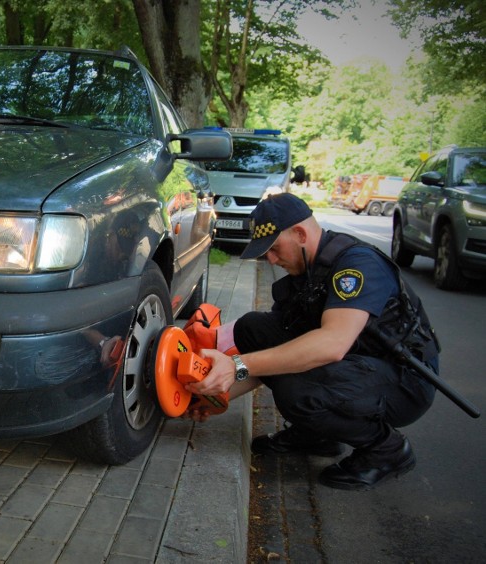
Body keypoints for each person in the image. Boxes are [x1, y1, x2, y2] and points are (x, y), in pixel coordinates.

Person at [186, 193, 438, 490]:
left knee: (299, 391)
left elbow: (332, 344)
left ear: (301, 234)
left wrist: (234, 365)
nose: (271, 259)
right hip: (357, 367)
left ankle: (387, 449)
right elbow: (267, 358)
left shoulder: (356, 266)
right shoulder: (304, 273)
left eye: (275, 249)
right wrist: (213, 394)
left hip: (404, 381)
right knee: (253, 328)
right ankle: (318, 434)